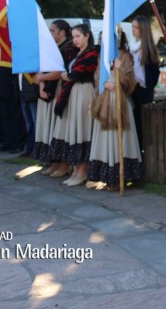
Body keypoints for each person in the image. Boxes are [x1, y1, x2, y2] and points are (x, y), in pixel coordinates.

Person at [88, 34, 143, 188]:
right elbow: (97, 77)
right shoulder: (102, 56)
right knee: (106, 139)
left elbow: (131, 83)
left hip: (121, 102)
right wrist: (104, 84)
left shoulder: (125, 57)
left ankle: (122, 176)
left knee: (122, 139)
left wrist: (119, 72)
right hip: (105, 102)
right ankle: (108, 176)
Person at [50, 24, 98, 186]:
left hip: (84, 92)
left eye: (78, 36)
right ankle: (76, 170)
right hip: (74, 92)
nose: (75, 40)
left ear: (87, 36)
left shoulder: (92, 53)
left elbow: (77, 74)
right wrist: (67, 76)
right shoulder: (78, 54)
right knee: (75, 130)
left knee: (82, 129)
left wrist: (67, 76)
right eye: (74, 36)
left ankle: (82, 171)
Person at [36, 20, 74, 176]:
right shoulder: (51, 47)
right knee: (48, 127)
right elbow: (41, 69)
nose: (50, 33)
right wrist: (41, 85)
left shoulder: (69, 48)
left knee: (58, 127)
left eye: (52, 30)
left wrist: (42, 80)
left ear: (62, 32)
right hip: (46, 90)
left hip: (59, 89)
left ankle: (63, 164)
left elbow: (62, 72)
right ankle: (53, 162)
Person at [131, 15, 160, 156]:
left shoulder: (148, 48)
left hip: (143, 90)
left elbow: (155, 72)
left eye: (136, 27)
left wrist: (148, 86)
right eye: (132, 27)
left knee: (142, 124)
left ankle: (144, 156)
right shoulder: (131, 45)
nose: (133, 30)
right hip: (132, 89)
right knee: (134, 123)